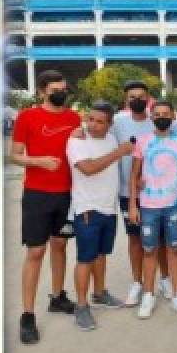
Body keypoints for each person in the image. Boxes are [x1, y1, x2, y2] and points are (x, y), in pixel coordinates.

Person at [10, 71, 81, 344]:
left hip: (67, 194)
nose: (60, 93)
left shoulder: (74, 118)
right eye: (54, 89)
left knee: (60, 245)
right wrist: (40, 161)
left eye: (63, 88)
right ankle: (27, 314)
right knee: (36, 252)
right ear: (42, 91)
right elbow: (15, 155)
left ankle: (58, 296)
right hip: (38, 194)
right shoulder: (27, 117)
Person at [127, 99, 177, 320]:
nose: (161, 117)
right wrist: (132, 205)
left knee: (174, 250)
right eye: (157, 113)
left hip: (174, 205)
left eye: (165, 113)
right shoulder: (143, 141)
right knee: (149, 251)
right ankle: (148, 294)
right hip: (148, 206)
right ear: (151, 117)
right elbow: (134, 175)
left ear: (173, 117)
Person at [67, 100, 132, 331]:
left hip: (108, 207)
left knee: (101, 254)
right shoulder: (76, 140)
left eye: (100, 121)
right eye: (90, 119)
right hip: (88, 208)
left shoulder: (112, 138)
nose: (93, 125)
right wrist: (119, 153)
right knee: (85, 258)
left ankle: (100, 293)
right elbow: (89, 168)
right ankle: (81, 306)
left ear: (109, 124)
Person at [112, 80, 171, 306]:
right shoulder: (117, 122)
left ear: (148, 98)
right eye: (132, 97)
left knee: (163, 238)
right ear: (126, 100)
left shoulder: (157, 120)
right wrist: (79, 130)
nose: (137, 100)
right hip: (130, 193)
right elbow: (94, 129)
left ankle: (165, 279)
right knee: (135, 238)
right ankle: (137, 282)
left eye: (141, 96)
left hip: (158, 192)